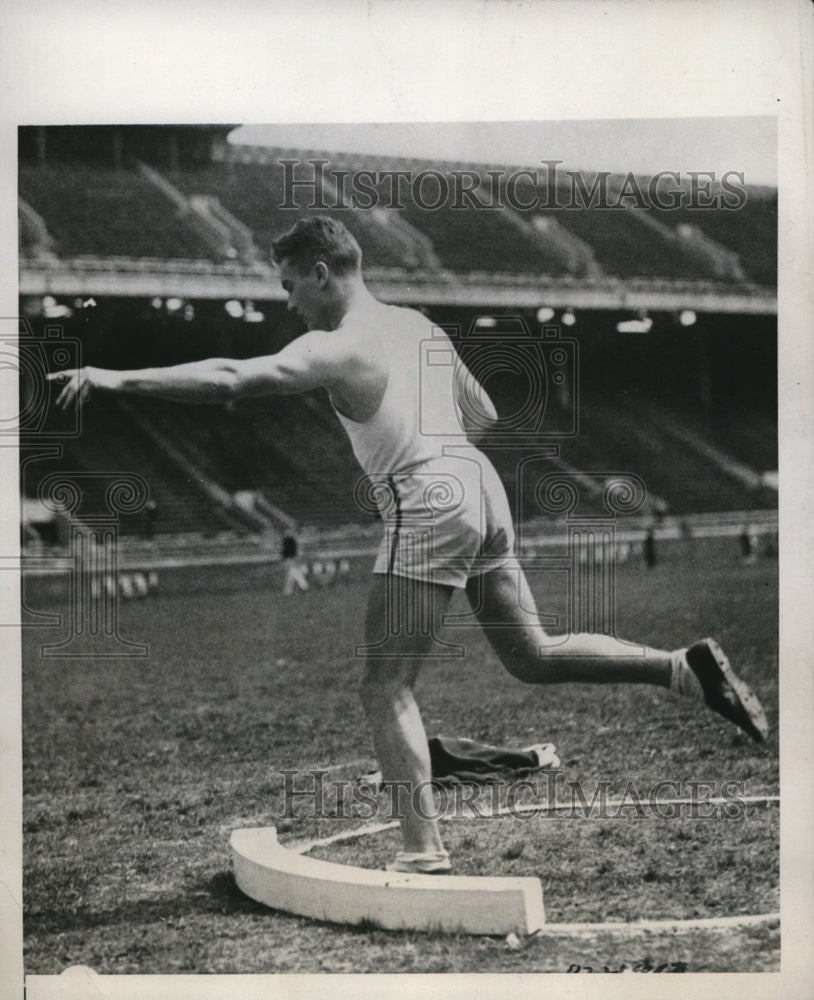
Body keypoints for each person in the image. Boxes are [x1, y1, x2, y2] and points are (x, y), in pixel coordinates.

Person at [49, 216, 769, 875]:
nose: (288, 301)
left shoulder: (337, 345)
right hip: (478, 485)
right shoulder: (419, 327)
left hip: (428, 498)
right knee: (533, 654)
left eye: (291, 284)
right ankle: (681, 668)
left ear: (323, 272)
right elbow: (483, 411)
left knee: (384, 685)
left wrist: (112, 377)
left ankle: (424, 851)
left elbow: (234, 377)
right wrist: (436, 453)